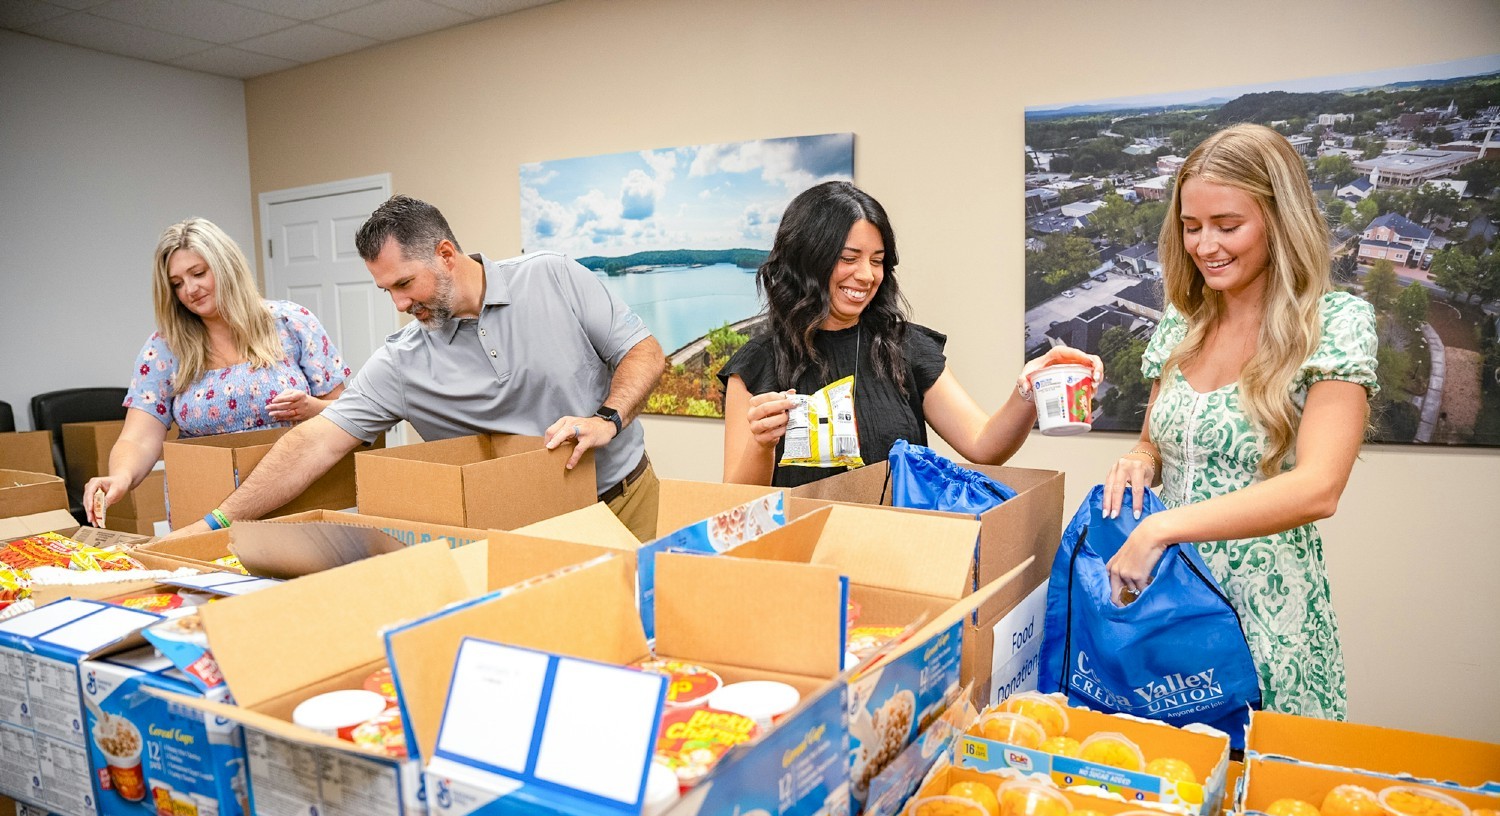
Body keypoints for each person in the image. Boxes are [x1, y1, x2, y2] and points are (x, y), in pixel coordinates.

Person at [166, 195, 667, 540]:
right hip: (517, 530)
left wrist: (607, 418)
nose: (399, 304)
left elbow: (642, 351)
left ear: (446, 254)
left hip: (623, 499)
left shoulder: (552, 276)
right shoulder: (401, 362)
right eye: (386, 290)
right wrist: (214, 523)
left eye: (405, 284)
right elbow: (313, 442)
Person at [1101, 123, 1378, 720]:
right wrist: (1139, 461)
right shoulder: (1182, 323)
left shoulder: (1335, 325)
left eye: (1227, 226)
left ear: (1280, 222)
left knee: (1258, 793)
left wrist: (1158, 529)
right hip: (1171, 598)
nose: (1205, 245)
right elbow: (1155, 443)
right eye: (1191, 226)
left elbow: (1318, 488)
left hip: (1267, 614)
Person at [720, 181, 1101, 488]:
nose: (867, 276)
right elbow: (736, 503)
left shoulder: (904, 348)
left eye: (878, 260)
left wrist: (1029, 387)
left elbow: (985, 446)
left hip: (902, 554)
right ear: (807, 259)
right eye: (849, 259)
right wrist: (761, 444)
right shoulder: (757, 366)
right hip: (803, 566)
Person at [84, 218, 349, 521]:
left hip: (296, 497)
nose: (190, 290)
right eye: (177, 284)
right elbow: (138, 437)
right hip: (203, 502)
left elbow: (346, 413)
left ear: (226, 266)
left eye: (198, 273)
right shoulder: (164, 348)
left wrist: (312, 408)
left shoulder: (291, 322)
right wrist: (120, 477)